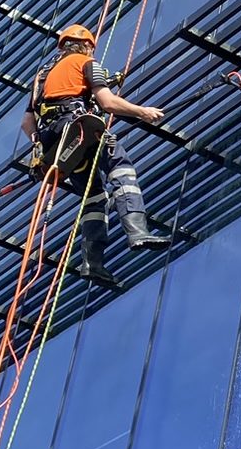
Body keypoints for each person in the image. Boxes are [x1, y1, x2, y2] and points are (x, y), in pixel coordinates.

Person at [23, 23, 172, 280]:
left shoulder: (42, 76)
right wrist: (142, 111)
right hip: (80, 128)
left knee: (93, 196)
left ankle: (92, 264)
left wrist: (39, 142)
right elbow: (107, 102)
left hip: (56, 142)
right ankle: (137, 231)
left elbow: (27, 123)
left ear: (63, 46)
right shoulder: (87, 63)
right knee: (120, 167)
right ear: (88, 46)